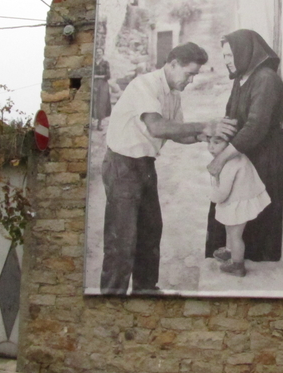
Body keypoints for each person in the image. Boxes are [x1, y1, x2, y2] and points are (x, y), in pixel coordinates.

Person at [99, 42, 236, 295]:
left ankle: (145, 290)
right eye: (189, 73)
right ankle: (110, 300)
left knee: (151, 232)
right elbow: (158, 127)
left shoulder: (173, 93)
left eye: (194, 75)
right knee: (121, 241)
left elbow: (178, 133)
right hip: (122, 165)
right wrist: (206, 124)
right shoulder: (145, 85)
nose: (191, 80)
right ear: (173, 64)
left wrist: (205, 136)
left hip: (145, 165)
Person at [205, 29, 283, 263]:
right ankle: (231, 251)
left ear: (245, 52)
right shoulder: (241, 79)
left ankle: (248, 258)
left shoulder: (266, 80)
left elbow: (256, 127)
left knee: (248, 205)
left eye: (230, 55)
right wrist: (218, 136)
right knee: (229, 202)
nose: (226, 61)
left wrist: (221, 159)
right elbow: (231, 115)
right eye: (224, 56)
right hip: (242, 151)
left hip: (263, 155)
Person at [206, 133, 271, 277]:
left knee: (235, 235)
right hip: (241, 200)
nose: (210, 147)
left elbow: (222, 193)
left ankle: (237, 265)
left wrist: (215, 180)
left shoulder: (229, 164)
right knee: (230, 229)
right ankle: (230, 251)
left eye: (216, 143)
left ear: (230, 144)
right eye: (209, 142)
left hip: (237, 204)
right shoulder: (238, 156)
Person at [91, 56, 112, 131]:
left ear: (102, 53)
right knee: (92, 102)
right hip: (93, 83)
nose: (98, 54)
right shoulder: (92, 62)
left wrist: (97, 76)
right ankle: (90, 123)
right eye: (97, 52)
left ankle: (99, 124)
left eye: (100, 52)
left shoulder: (105, 63)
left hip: (103, 85)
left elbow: (108, 75)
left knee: (101, 103)